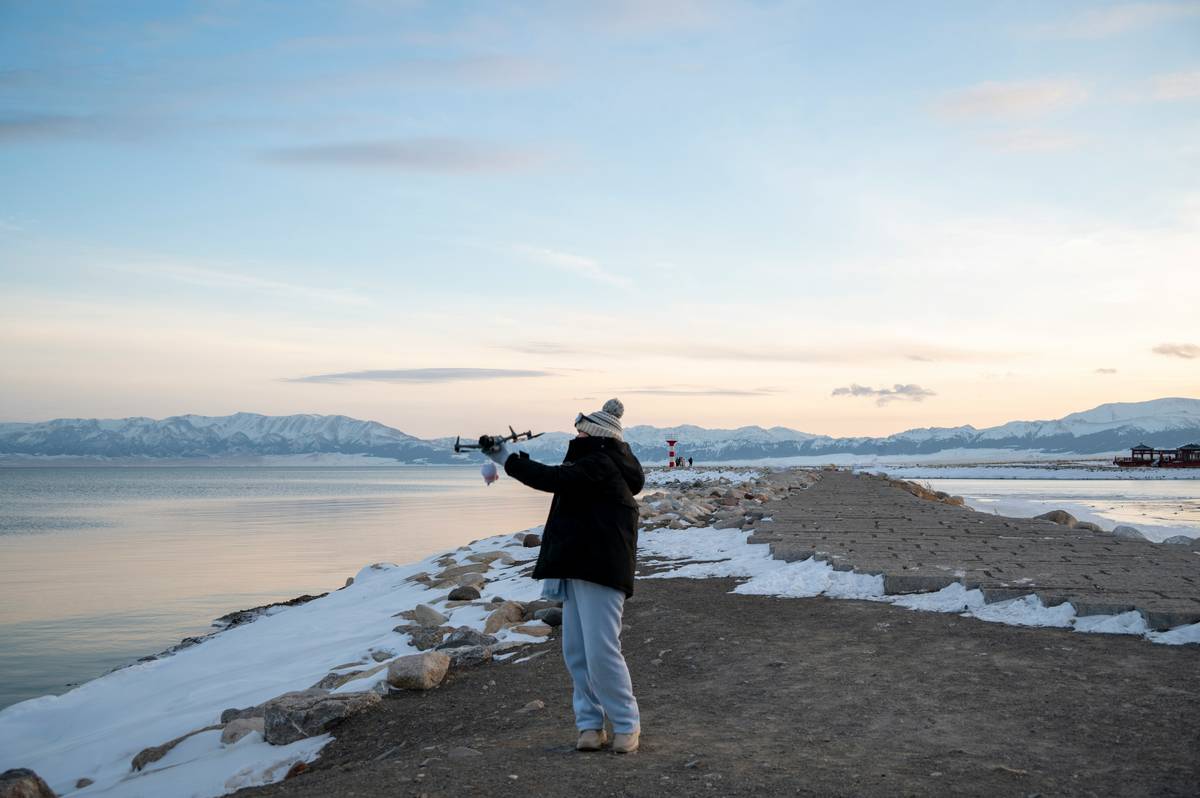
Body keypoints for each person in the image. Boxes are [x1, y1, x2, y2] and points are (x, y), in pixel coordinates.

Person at [486, 398, 645, 753]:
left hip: (601, 570)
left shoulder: (601, 463)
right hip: (578, 566)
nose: (576, 434)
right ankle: (590, 725)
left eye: (581, 430)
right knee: (576, 652)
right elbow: (562, 478)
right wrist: (518, 459)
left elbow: (554, 478)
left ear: (596, 435)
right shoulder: (595, 463)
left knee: (602, 652)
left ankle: (625, 725)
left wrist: (507, 460)